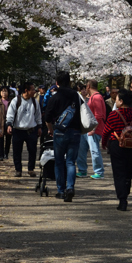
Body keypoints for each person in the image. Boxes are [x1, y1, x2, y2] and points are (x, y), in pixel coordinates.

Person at [42, 71, 84, 202]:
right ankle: (70, 187)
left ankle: (61, 190)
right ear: (69, 81)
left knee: (59, 162)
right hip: (76, 131)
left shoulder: (55, 97)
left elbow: (47, 117)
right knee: (71, 162)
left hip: (60, 132)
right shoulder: (77, 97)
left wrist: (50, 130)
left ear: (57, 83)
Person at [102, 89, 132, 211]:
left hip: (117, 145)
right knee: (128, 172)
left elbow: (106, 131)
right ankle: (126, 192)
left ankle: (122, 199)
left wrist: (104, 143)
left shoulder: (114, 115)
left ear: (121, 101)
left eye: (118, 98)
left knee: (118, 173)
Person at [6, 82, 43, 178]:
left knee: (32, 151)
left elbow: (38, 115)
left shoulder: (35, 102)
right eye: (33, 89)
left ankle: (31, 169)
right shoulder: (16, 101)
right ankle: (18, 170)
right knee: (17, 151)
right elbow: (10, 114)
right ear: (26, 90)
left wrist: (39, 127)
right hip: (18, 130)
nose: (35, 91)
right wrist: (9, 124)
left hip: (31, 130)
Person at [76, 79, 106, 179]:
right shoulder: (92, 97)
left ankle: (99, 172)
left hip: (94, 130)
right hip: (87, 129)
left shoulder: (97, 97)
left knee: (94, 150)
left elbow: (99, 115)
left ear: (88, 86)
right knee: (81, 150)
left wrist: (93, 129)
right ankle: (82, 170)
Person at [0, 87, 13, 161]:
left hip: (8, 122)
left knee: (8, 139)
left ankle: (6, 153)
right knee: (0, 139)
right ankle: (1, 155)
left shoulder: (11, 102)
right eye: (2, 91)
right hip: (0, 122)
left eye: (5, 91)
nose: (4, 93)